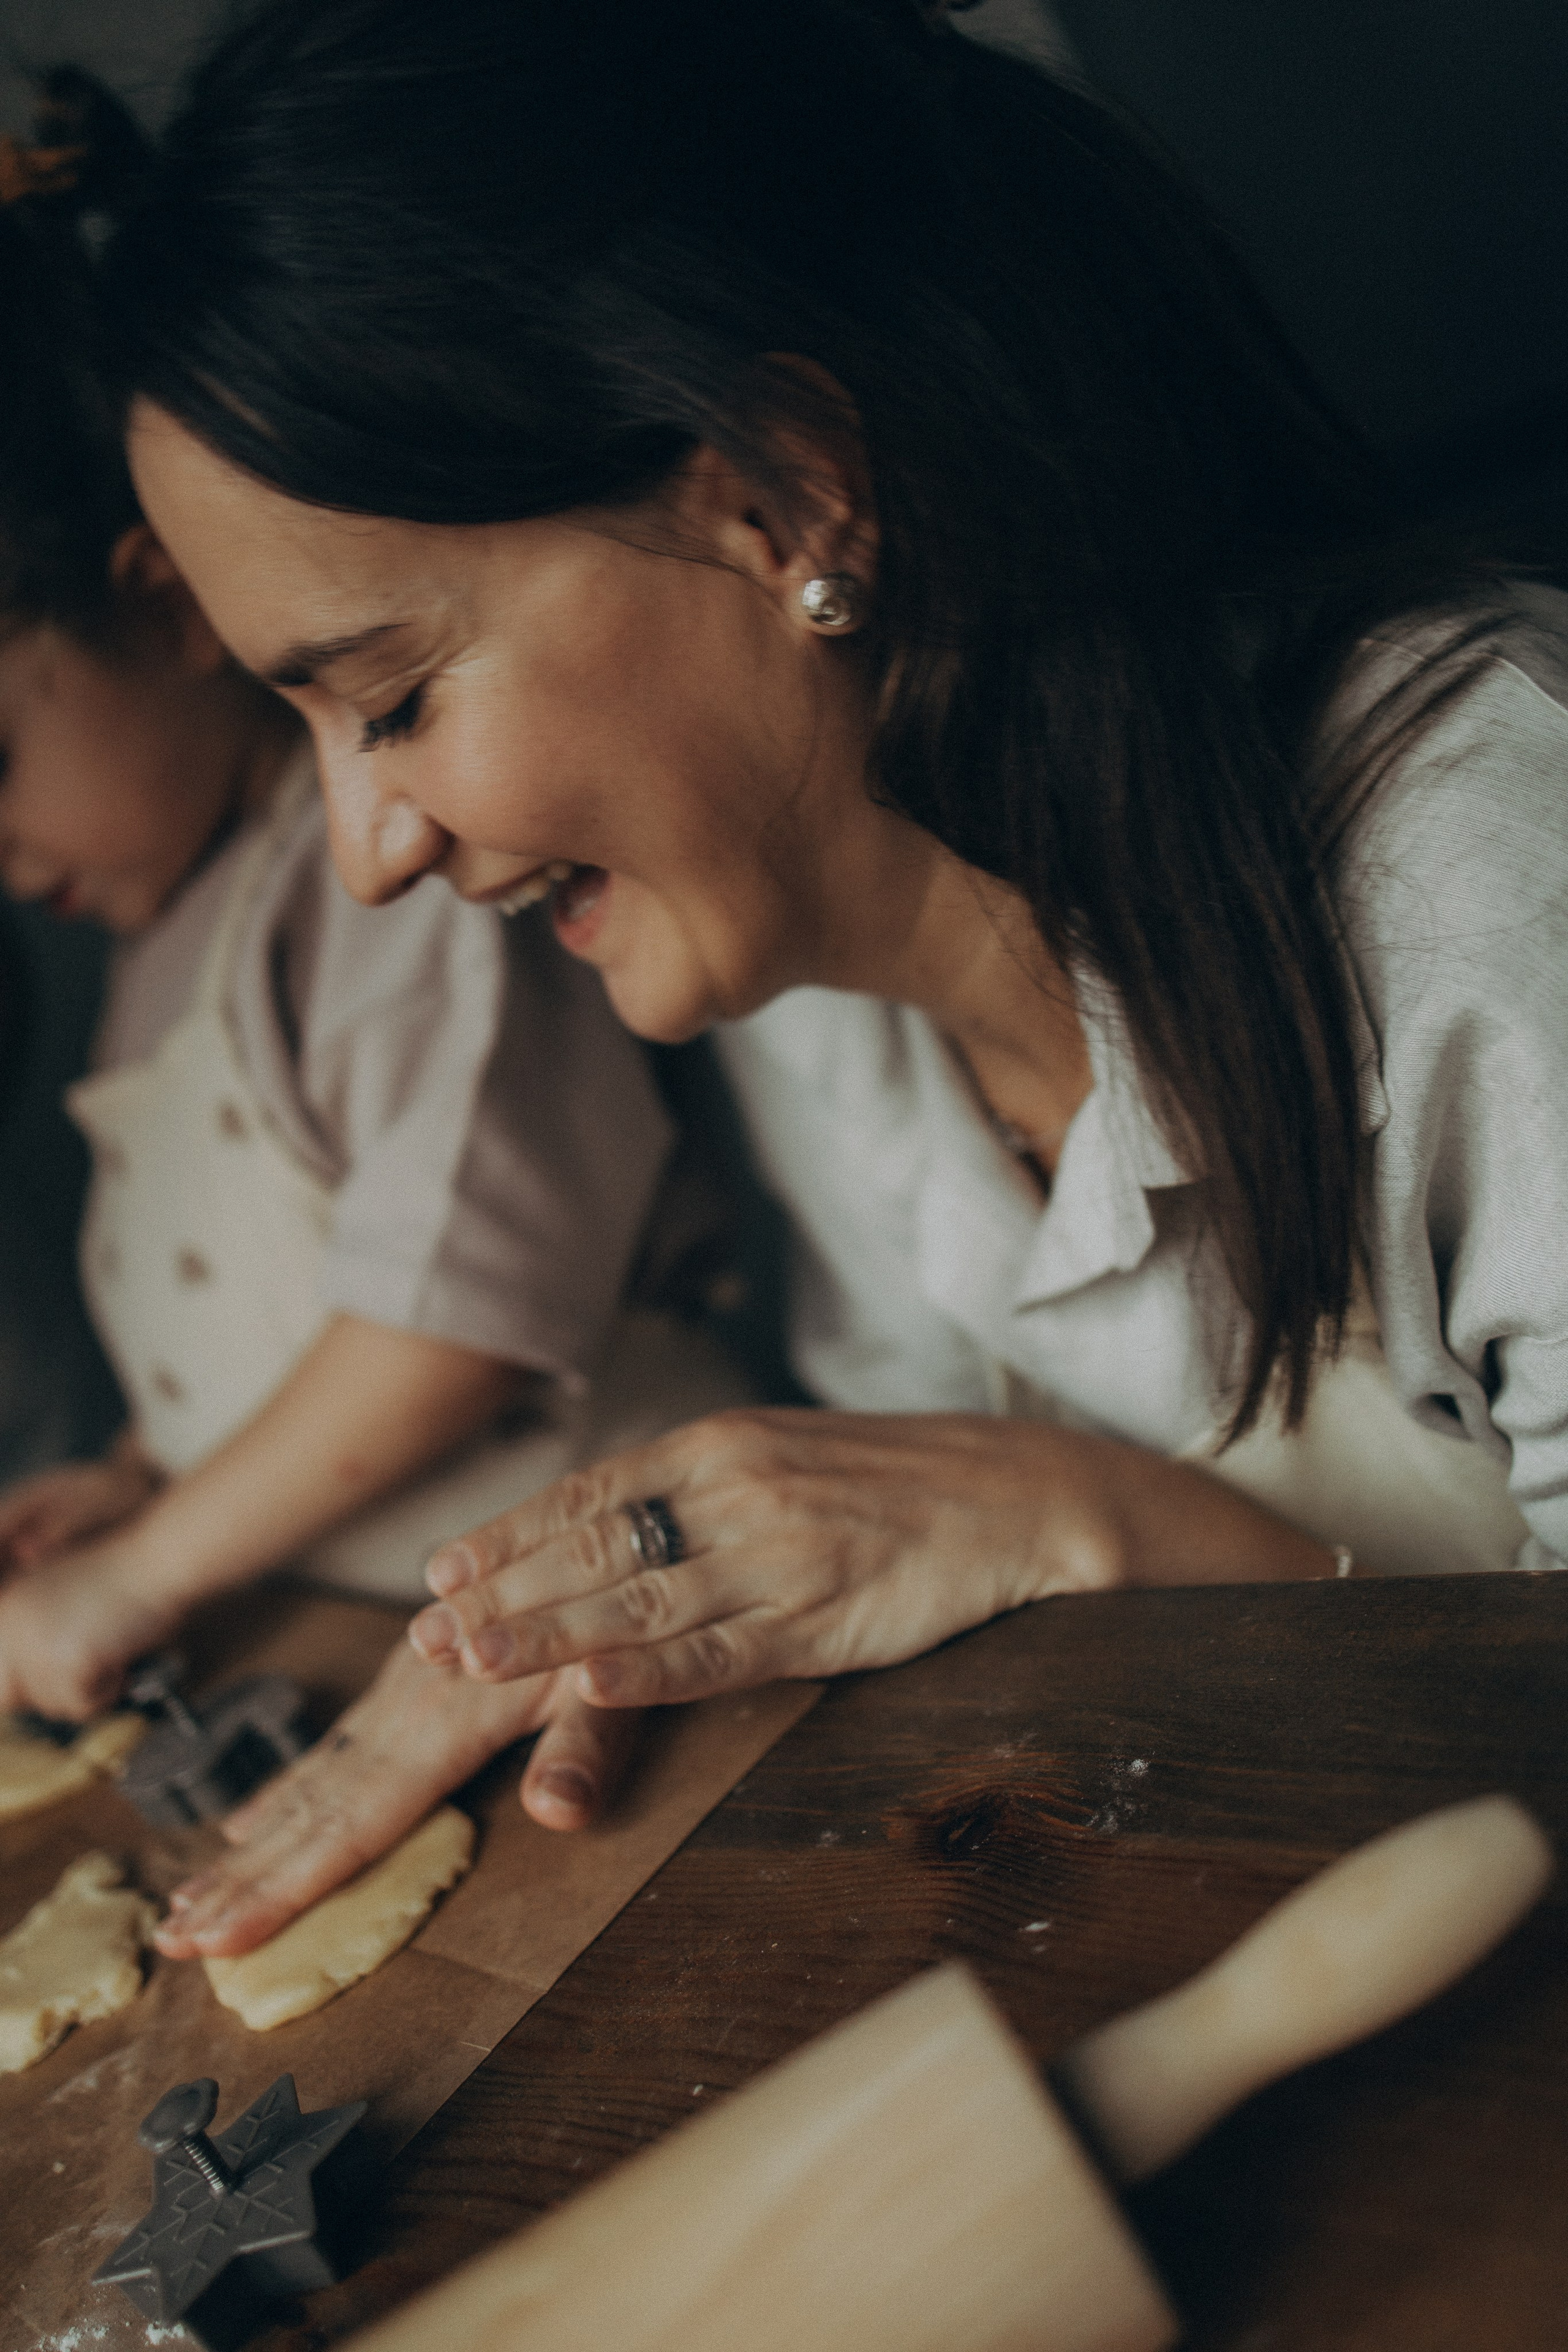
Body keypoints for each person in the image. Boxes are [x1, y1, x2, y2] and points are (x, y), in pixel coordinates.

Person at [102, 0, 1568, 1958]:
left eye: (389, 699)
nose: (369, 853)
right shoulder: (812, 1026)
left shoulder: (1492, 881)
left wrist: (1082, 1526)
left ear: (787, 495)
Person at [0, 71, 751, 1831]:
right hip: (398, 1659)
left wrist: (152, 1567)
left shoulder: (417, 880)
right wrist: (136, 1471)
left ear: (170, 606)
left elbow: (452, 1317)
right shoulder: (151, 955)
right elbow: (261, 1318)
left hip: (640, 1631)